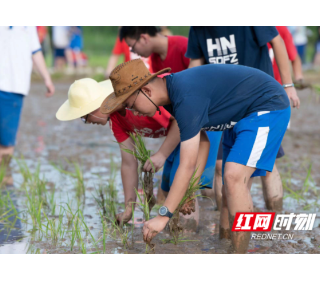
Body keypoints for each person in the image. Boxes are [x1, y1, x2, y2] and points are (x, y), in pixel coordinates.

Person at [101, 59, 291, 253]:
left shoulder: (185, 96)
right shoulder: (172, 96)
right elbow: (202, 142)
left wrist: (164, 215)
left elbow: (188, 163)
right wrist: (190, 190)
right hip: (240, 115)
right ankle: (226, 245)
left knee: (233, 177)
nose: (134, 112)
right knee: (228, 191)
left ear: (147, 92)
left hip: (267, 106)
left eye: (131, 105)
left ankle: (240, 251)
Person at [56, 77, 210, 226]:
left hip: (201, 131)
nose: (87, 122)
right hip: (178, 139)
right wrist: (129, 209)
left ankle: (200, 239)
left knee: (187, 192)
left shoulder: (140, 99)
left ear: (95, 106)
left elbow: (183, 118)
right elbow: (129, 163)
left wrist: (162, 154)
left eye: (84, 117)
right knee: (167, 191)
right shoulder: (116, 120)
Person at [186, 26, 300, 216]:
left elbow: (277, 41)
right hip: (227, 106)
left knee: (265, 167)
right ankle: (228, 228)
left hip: (261, 102)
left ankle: (275, 221)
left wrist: (288, 86)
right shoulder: (198, 29)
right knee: (222, 166)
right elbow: (195, 64)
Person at [119, 26, 222, 206]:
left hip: (202, 119)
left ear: (143, 38)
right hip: (183, 124)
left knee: (192, 185)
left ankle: (212, 222)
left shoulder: (184, 46)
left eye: (132, 46)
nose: (133, 51)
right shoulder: (156, 60)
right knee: (171, 183)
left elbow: (199, 86)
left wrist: (162, 153)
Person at [0, 26, 55, 186]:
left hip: (14, 87)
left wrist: (47, 78)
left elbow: (35, 51)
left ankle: (4, 182)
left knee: (6, 142)